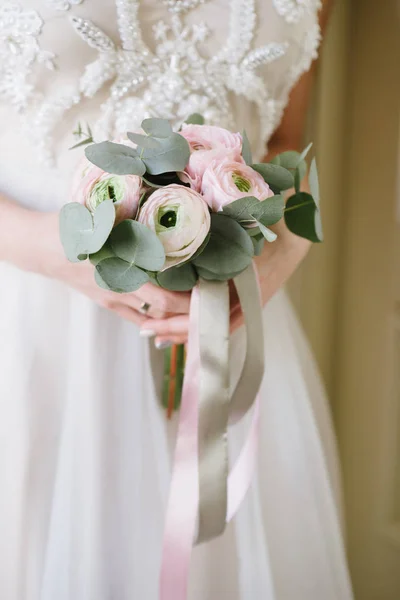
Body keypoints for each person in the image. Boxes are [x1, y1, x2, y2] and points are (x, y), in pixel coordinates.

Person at [0, 1, 353, 598]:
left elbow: (288, 144)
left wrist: (281, 254)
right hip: (39, 326)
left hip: (235, 322)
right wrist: (66, 254)